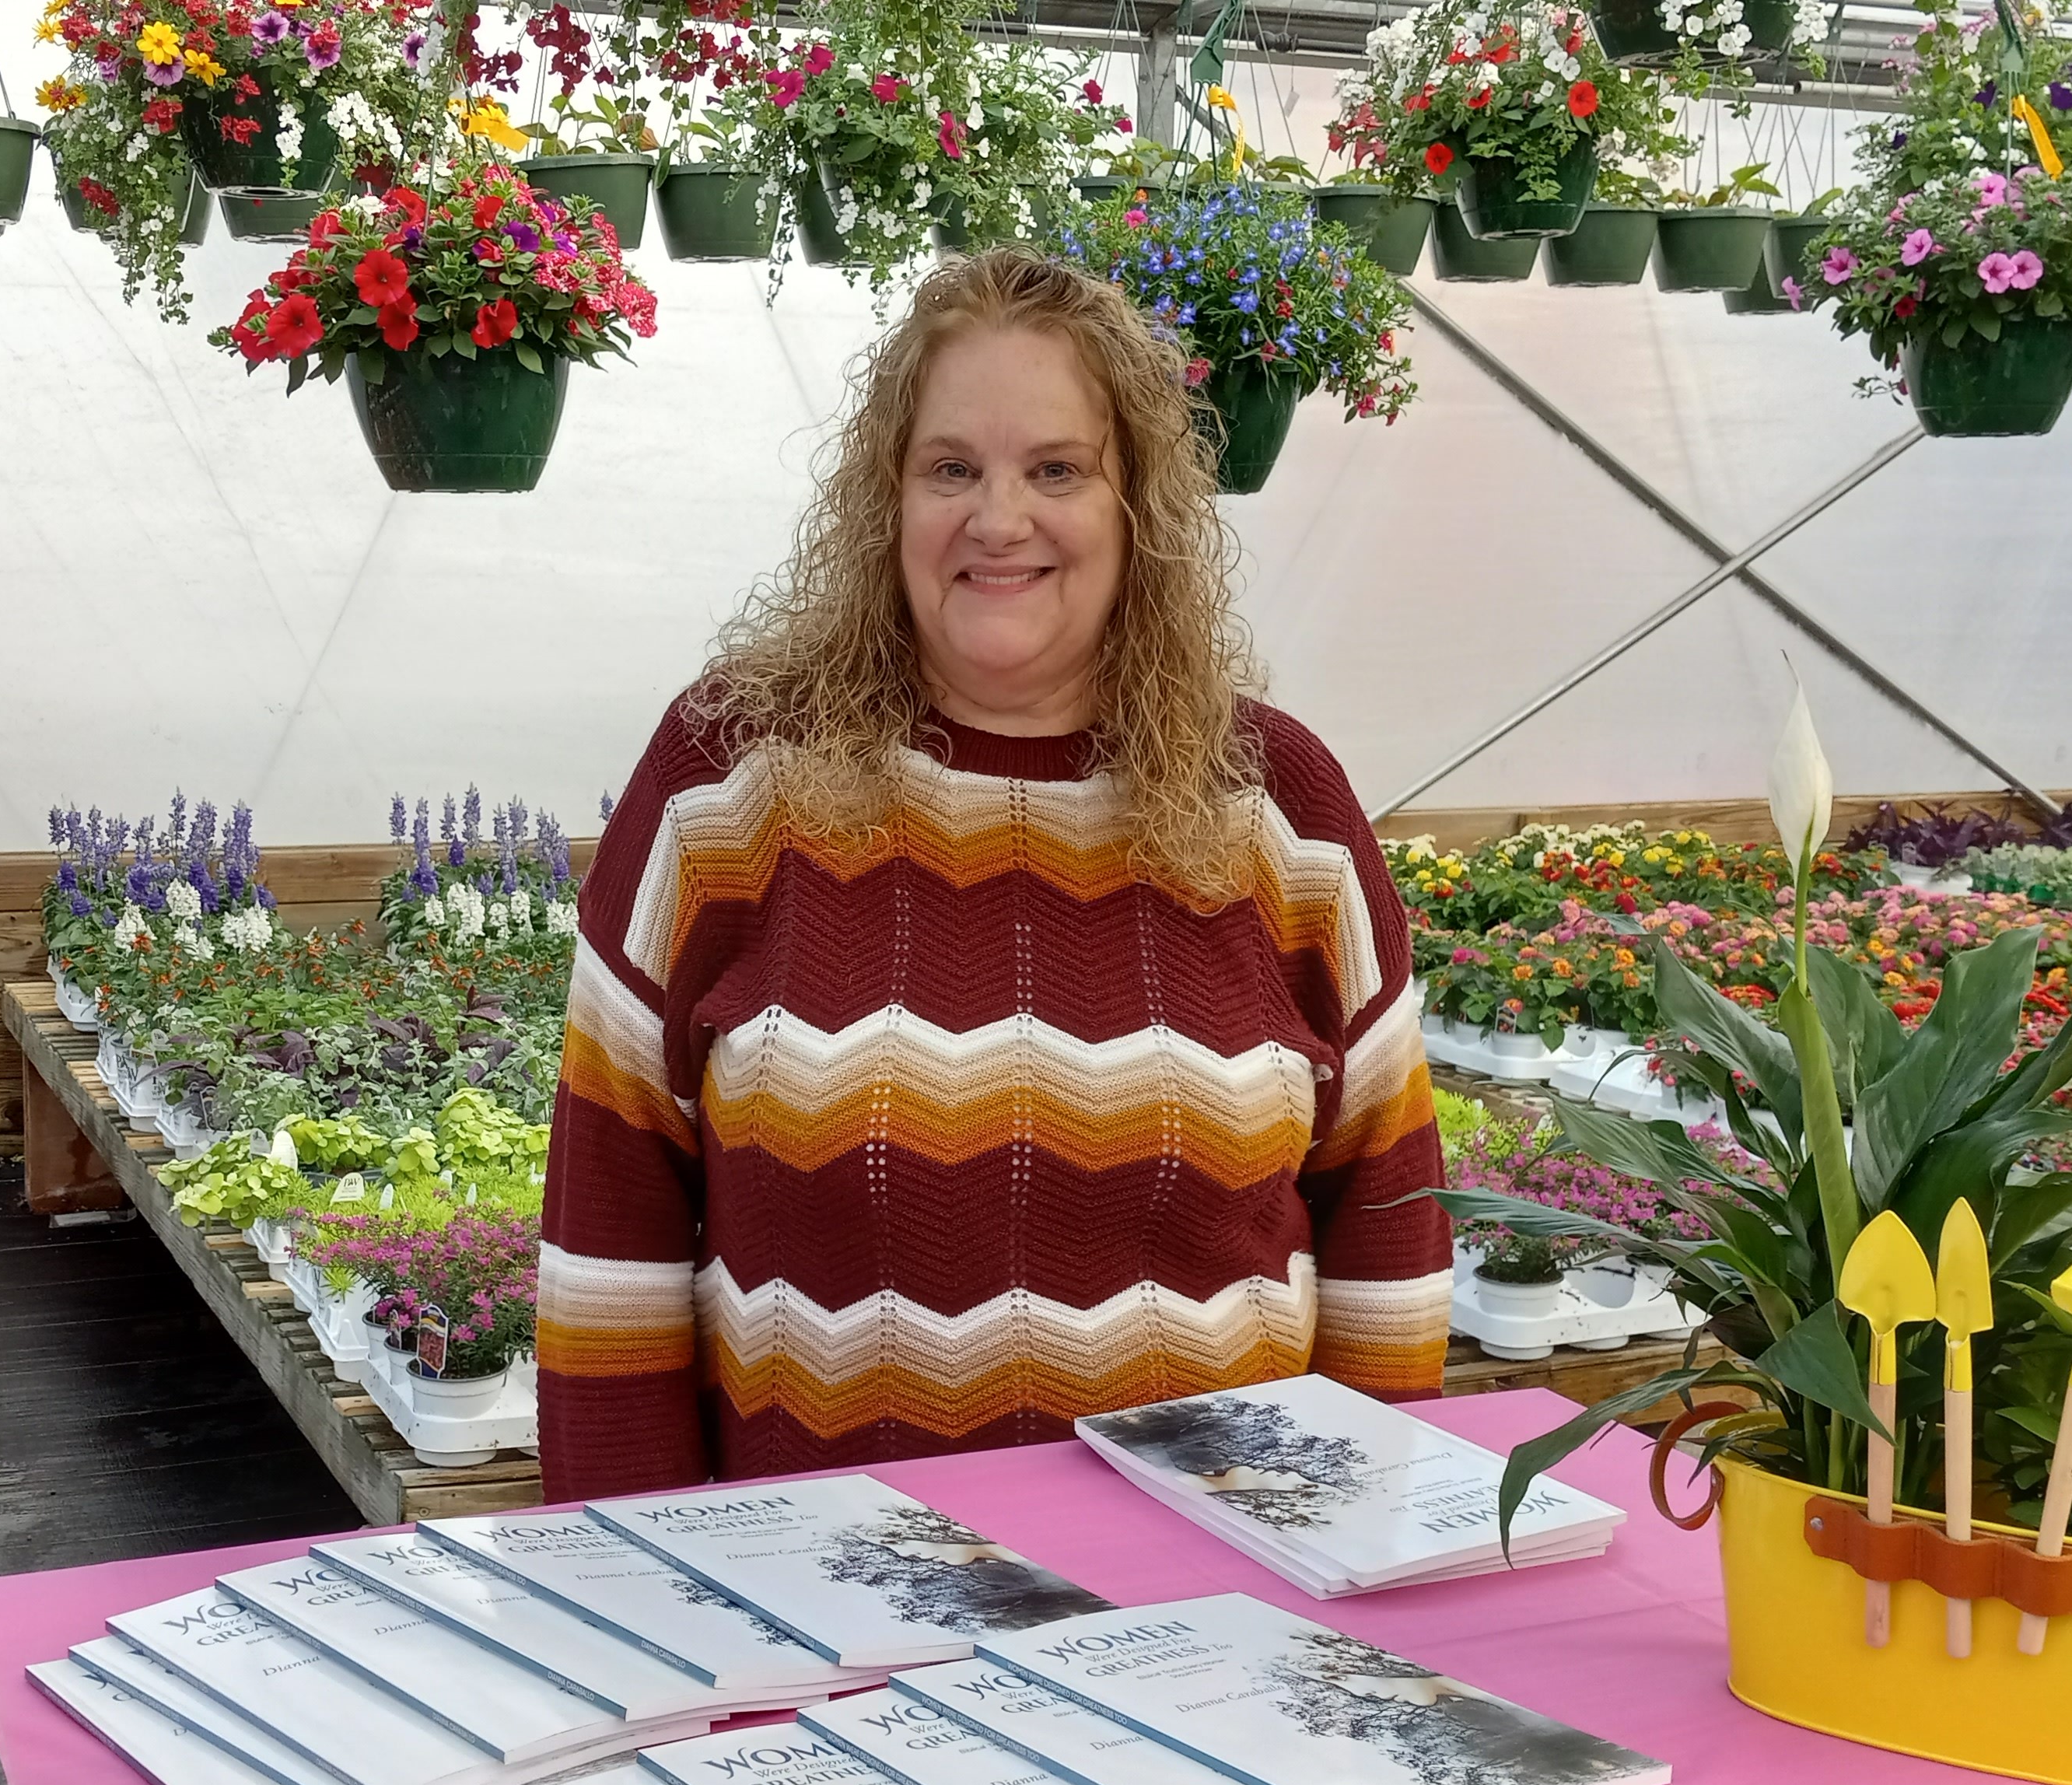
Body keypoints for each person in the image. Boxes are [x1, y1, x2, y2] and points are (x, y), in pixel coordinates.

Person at [535, 247, 1451, 1503]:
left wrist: (1358, 1553)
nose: (999, 518)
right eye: (951, 468)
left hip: (1215, 1592)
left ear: (1137, 506)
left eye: (1057, 469)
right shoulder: (727, 782)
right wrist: (646, 1581)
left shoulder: (1278, 807)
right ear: (888, 499)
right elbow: (610, 1246)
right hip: (825, 1597)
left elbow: (1389, 1233)